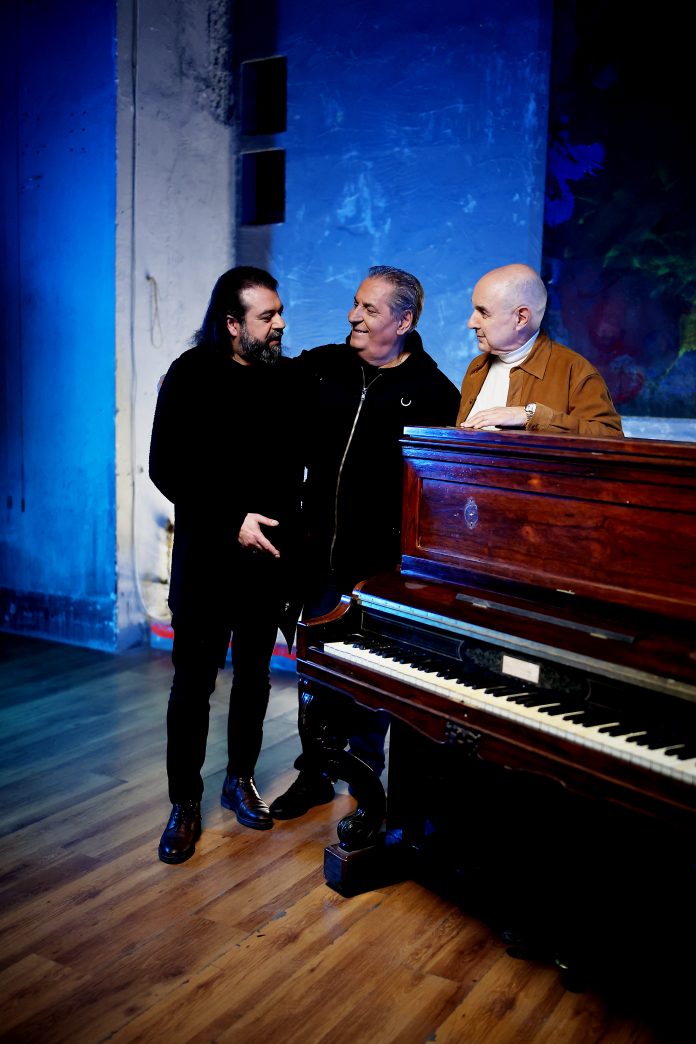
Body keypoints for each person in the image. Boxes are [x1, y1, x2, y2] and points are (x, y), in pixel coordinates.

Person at [269, 265, 461, 820]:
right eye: (356, 303)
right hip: (315, 558)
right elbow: (259, 382)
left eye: (369, 309)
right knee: (314, 673)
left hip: (378, 570)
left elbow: (441, 494)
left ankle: (365, 785)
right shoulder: (324, 367)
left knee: (370, 680)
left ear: (403, 322)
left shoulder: (434, 393)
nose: (353, 315)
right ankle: (315, 774)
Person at [149, 266, 304, 864]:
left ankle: (240, 780)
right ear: (233, 323)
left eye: (279, 311)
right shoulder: (190, 374)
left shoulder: (285, 378)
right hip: (205, 560)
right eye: (267, 316)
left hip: (265, 563)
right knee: (192, 685)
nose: (280, 323)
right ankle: (184, 803)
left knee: (255, 678)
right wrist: (231, 519)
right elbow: (167, 467)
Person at [457, 263, 624, 436]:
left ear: (521, 318)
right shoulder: (477, 368)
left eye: (483, 313)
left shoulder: (575, 371)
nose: (471, 323)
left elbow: (611, 437)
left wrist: (530, 416)